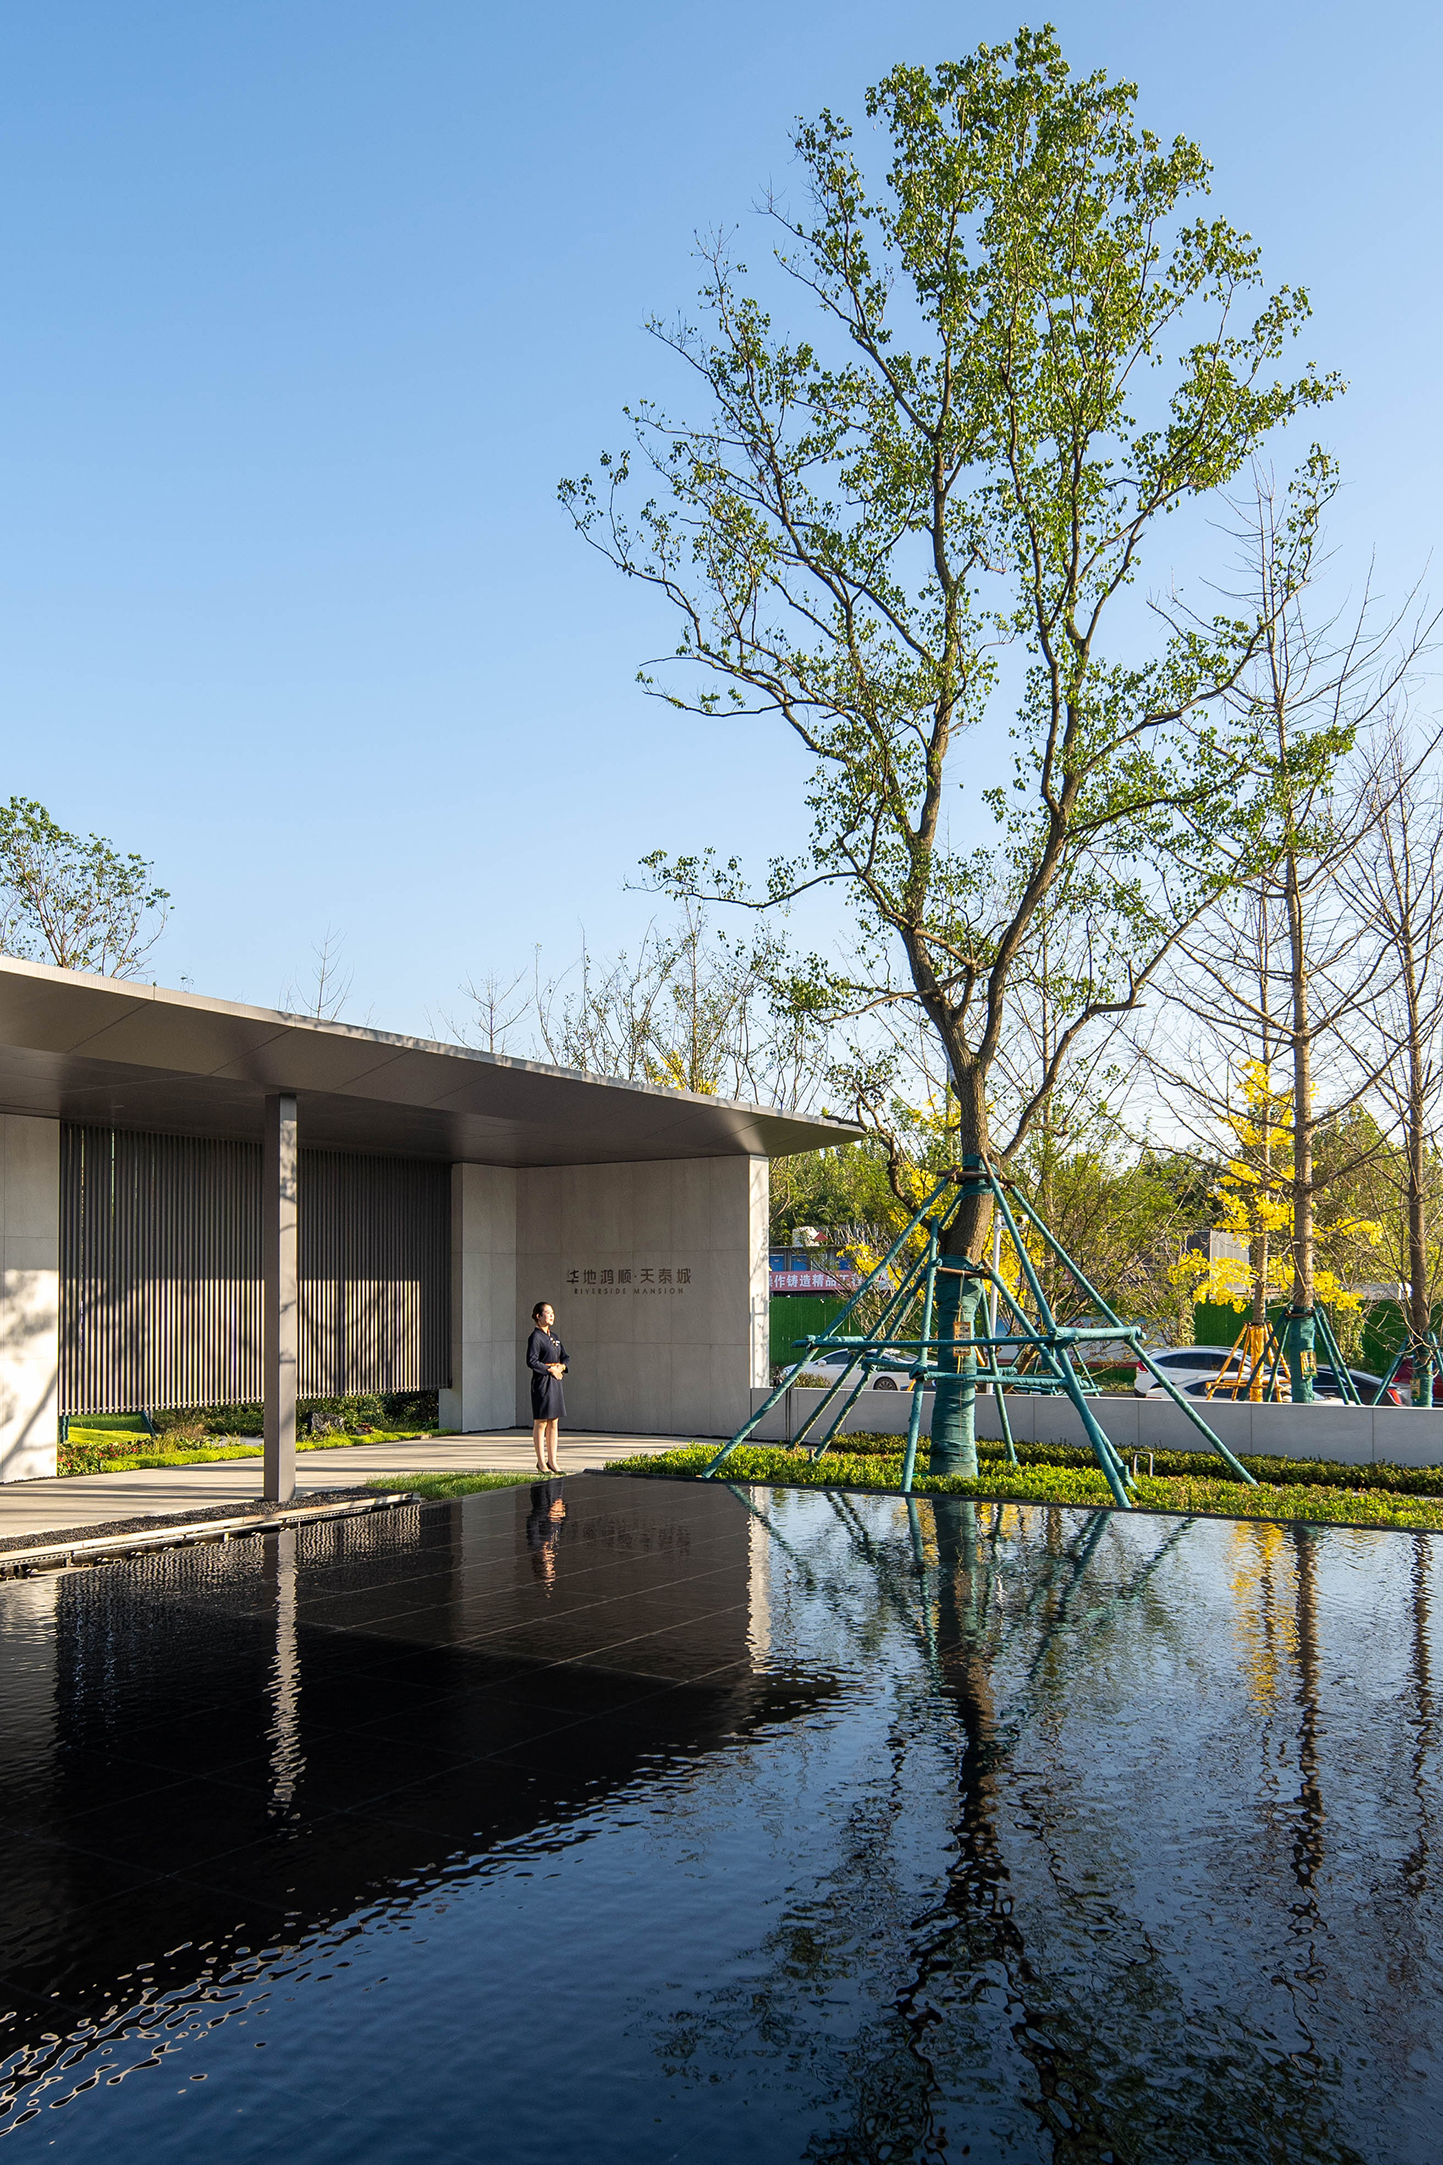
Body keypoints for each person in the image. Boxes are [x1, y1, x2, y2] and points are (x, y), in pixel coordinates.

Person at [526, 1301, 567, 1473]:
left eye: (552, 1313)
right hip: (542, 1382)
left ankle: (553, 1461)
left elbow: (565, 1357)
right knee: (541, 1421)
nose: (551, 1315)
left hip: (555, 1381)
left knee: (554, 1421)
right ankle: (541, 1462)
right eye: (548, 1313)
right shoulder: (535, 1337)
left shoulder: (554, 1337)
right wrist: (549, 1369)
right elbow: (531, 1360)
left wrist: (561, 1367)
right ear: (538, 1316)